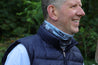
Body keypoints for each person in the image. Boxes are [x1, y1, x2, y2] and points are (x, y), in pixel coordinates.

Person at [2, 0, 85, 65]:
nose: (82, 13)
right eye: (73, 6)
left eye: (80, 6)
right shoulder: (23, 51)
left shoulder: (76, 54)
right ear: (53, 12)